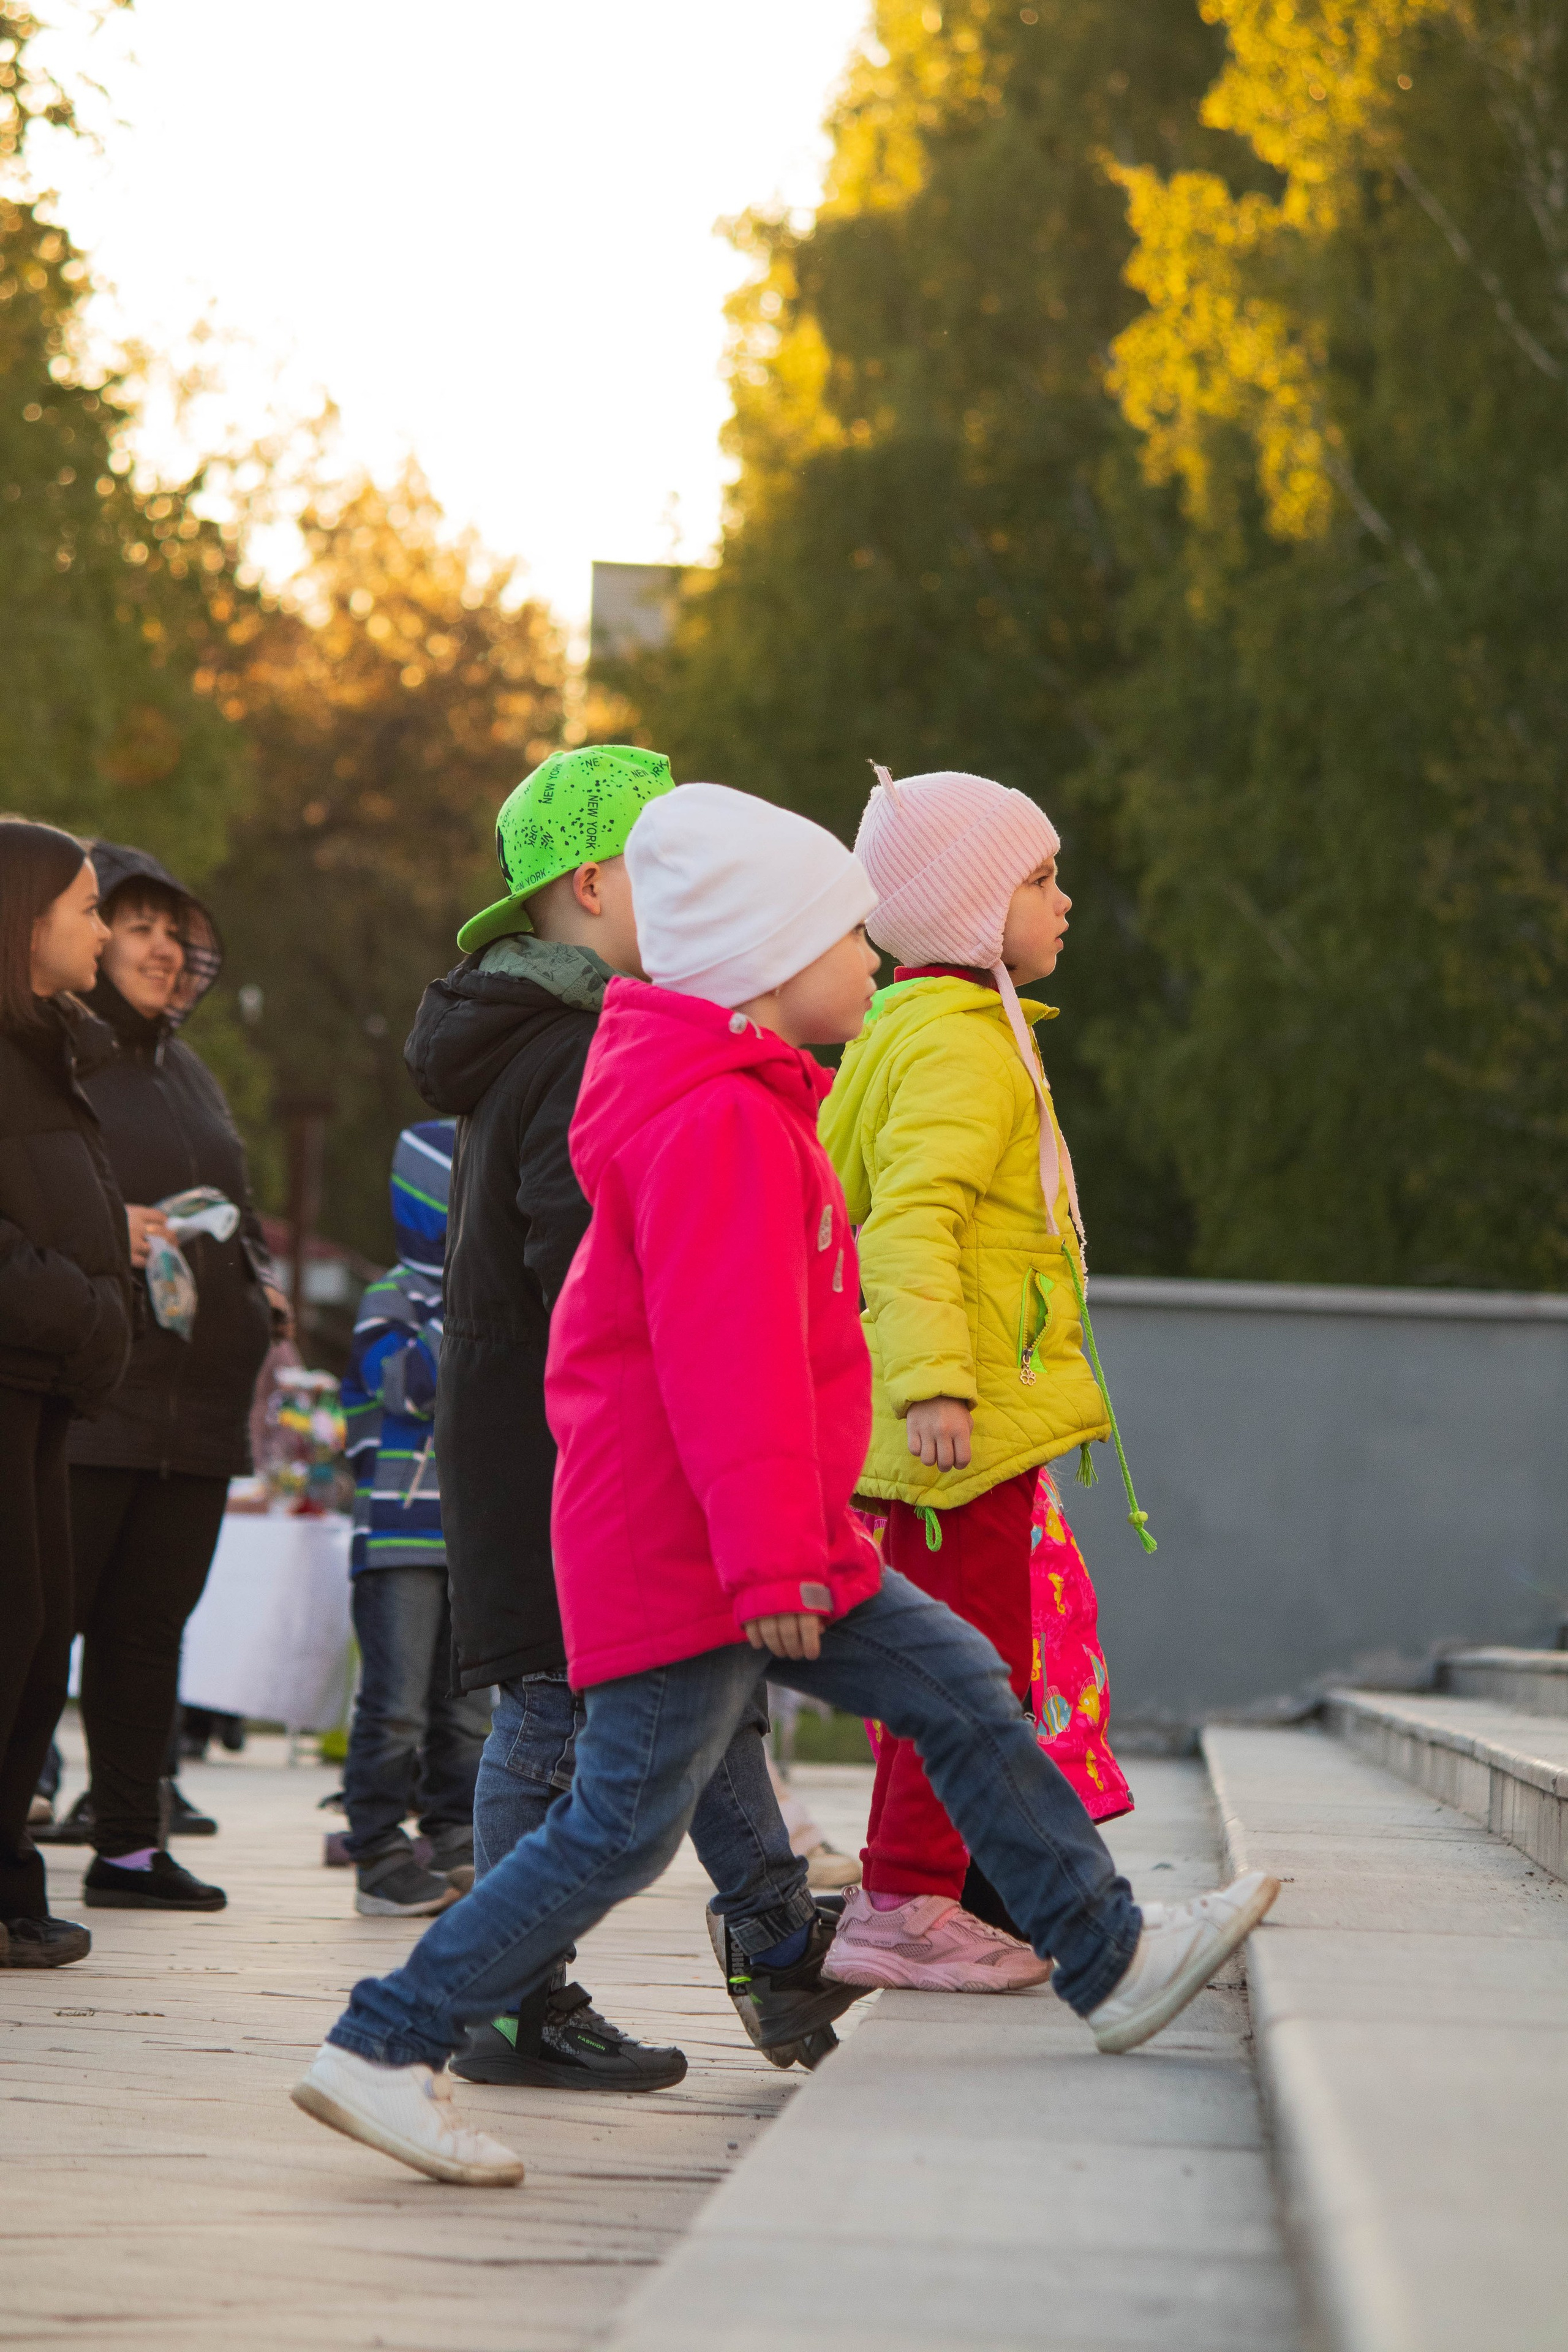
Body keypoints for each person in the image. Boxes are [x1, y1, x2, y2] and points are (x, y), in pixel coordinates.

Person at [290, 783, 1278, 2187]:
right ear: (764, 966)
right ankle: (382, 2043)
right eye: (847, 943)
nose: (874, 964)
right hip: (704, 1552)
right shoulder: (719, 1129)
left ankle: (1107, 1955)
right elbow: (723, 1367)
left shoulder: (742, 1103)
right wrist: (772, 1567)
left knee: (947, 1690)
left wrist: (786, 1541)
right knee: (618, 1829)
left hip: (741, 1537)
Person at [404, 745, 855, 2092]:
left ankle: (777, 1942)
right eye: (669, 862)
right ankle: (499, 2000)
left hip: (556, 1426)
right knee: (554, 1710)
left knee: (690, 1688)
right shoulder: (588, 1037)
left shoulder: (548, 1031)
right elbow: (580, 1260)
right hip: (568, 1442)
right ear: (599, 884)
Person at [817, 767, 1142, 1992]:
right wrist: (936, 1389)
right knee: (969, 1671)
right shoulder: (957, 1046)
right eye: (1038, 879)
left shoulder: (923, 1027)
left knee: (971, 1665)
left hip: (956, 1418)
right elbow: (909, 1225)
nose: (1062, 903)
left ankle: (944, 1893)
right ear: (964, 908)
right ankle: (904, 1901)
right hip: (956, 1429)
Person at [54, 841, 287, 1914]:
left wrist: (263, 1288)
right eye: (136, 924)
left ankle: (130, 1847)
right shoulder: (59, 1053)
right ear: (93, 937)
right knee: (39, 1626)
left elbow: (231, 1208)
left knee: (150, 1636)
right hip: (96, 1402)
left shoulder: (187, 1069)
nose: (160, 945)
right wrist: (113, 1227)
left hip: (196, 1418)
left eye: (173, 929)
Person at [0, 821, 132, 1967]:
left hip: (43, 1391)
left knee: (38, 1639)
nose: (104, 926)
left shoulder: (52, 1049)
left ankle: (8, 1886)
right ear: (26, 919)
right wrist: (91, 1310)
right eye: (90, 907)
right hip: (15, 1372)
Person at [337, 1120, 491, 1917]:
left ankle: (455, 1835)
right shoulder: (389, 1298)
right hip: (398, 1537)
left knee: (465, 1708)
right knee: (394, 1703)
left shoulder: (494, 1298)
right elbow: (406, 1386)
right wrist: (460, 1306)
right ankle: (374, 1847)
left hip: (469, 1540)